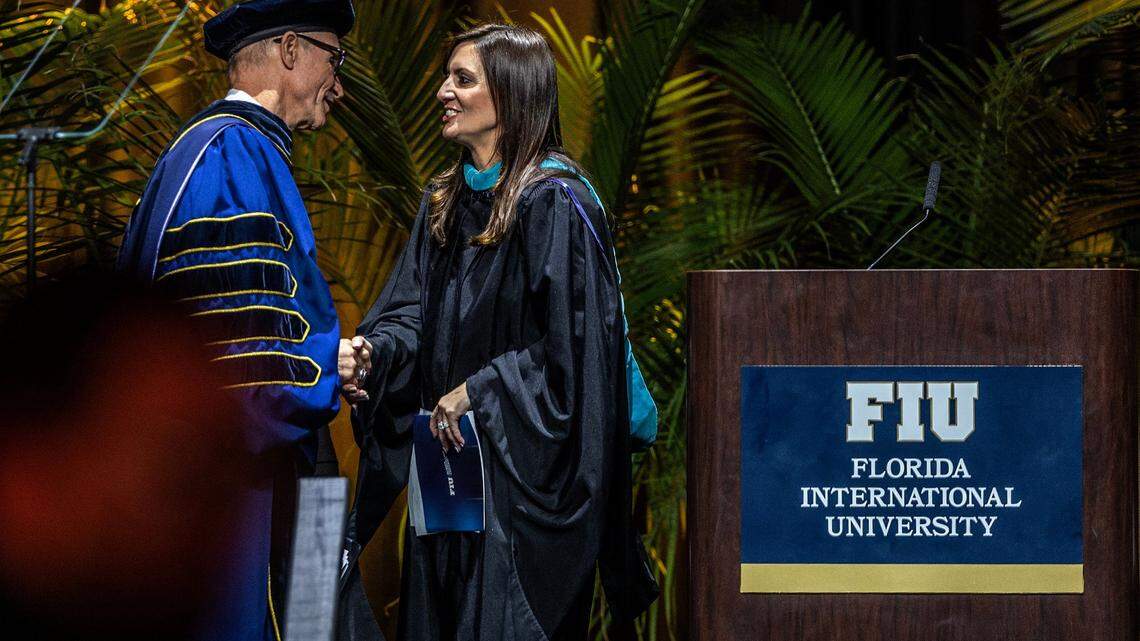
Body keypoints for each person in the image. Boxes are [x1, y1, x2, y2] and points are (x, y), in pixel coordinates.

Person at [343, 24, 658, 641]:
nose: (443, 92)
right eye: (445, 77)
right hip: (450, 478)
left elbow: (578, 361)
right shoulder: (444, 202)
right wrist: (375, 353)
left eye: (463, 79)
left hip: (521, 495)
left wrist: (480, 391)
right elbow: (413, 316)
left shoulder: (559, 203)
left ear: (511, 97)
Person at [115, 1, 373, 639]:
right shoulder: (230, 155)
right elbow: (237, 354)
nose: (337, 85)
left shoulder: (229, 150)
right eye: (332, 59)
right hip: (238, 489)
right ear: (289, 51)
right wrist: (322, 365)